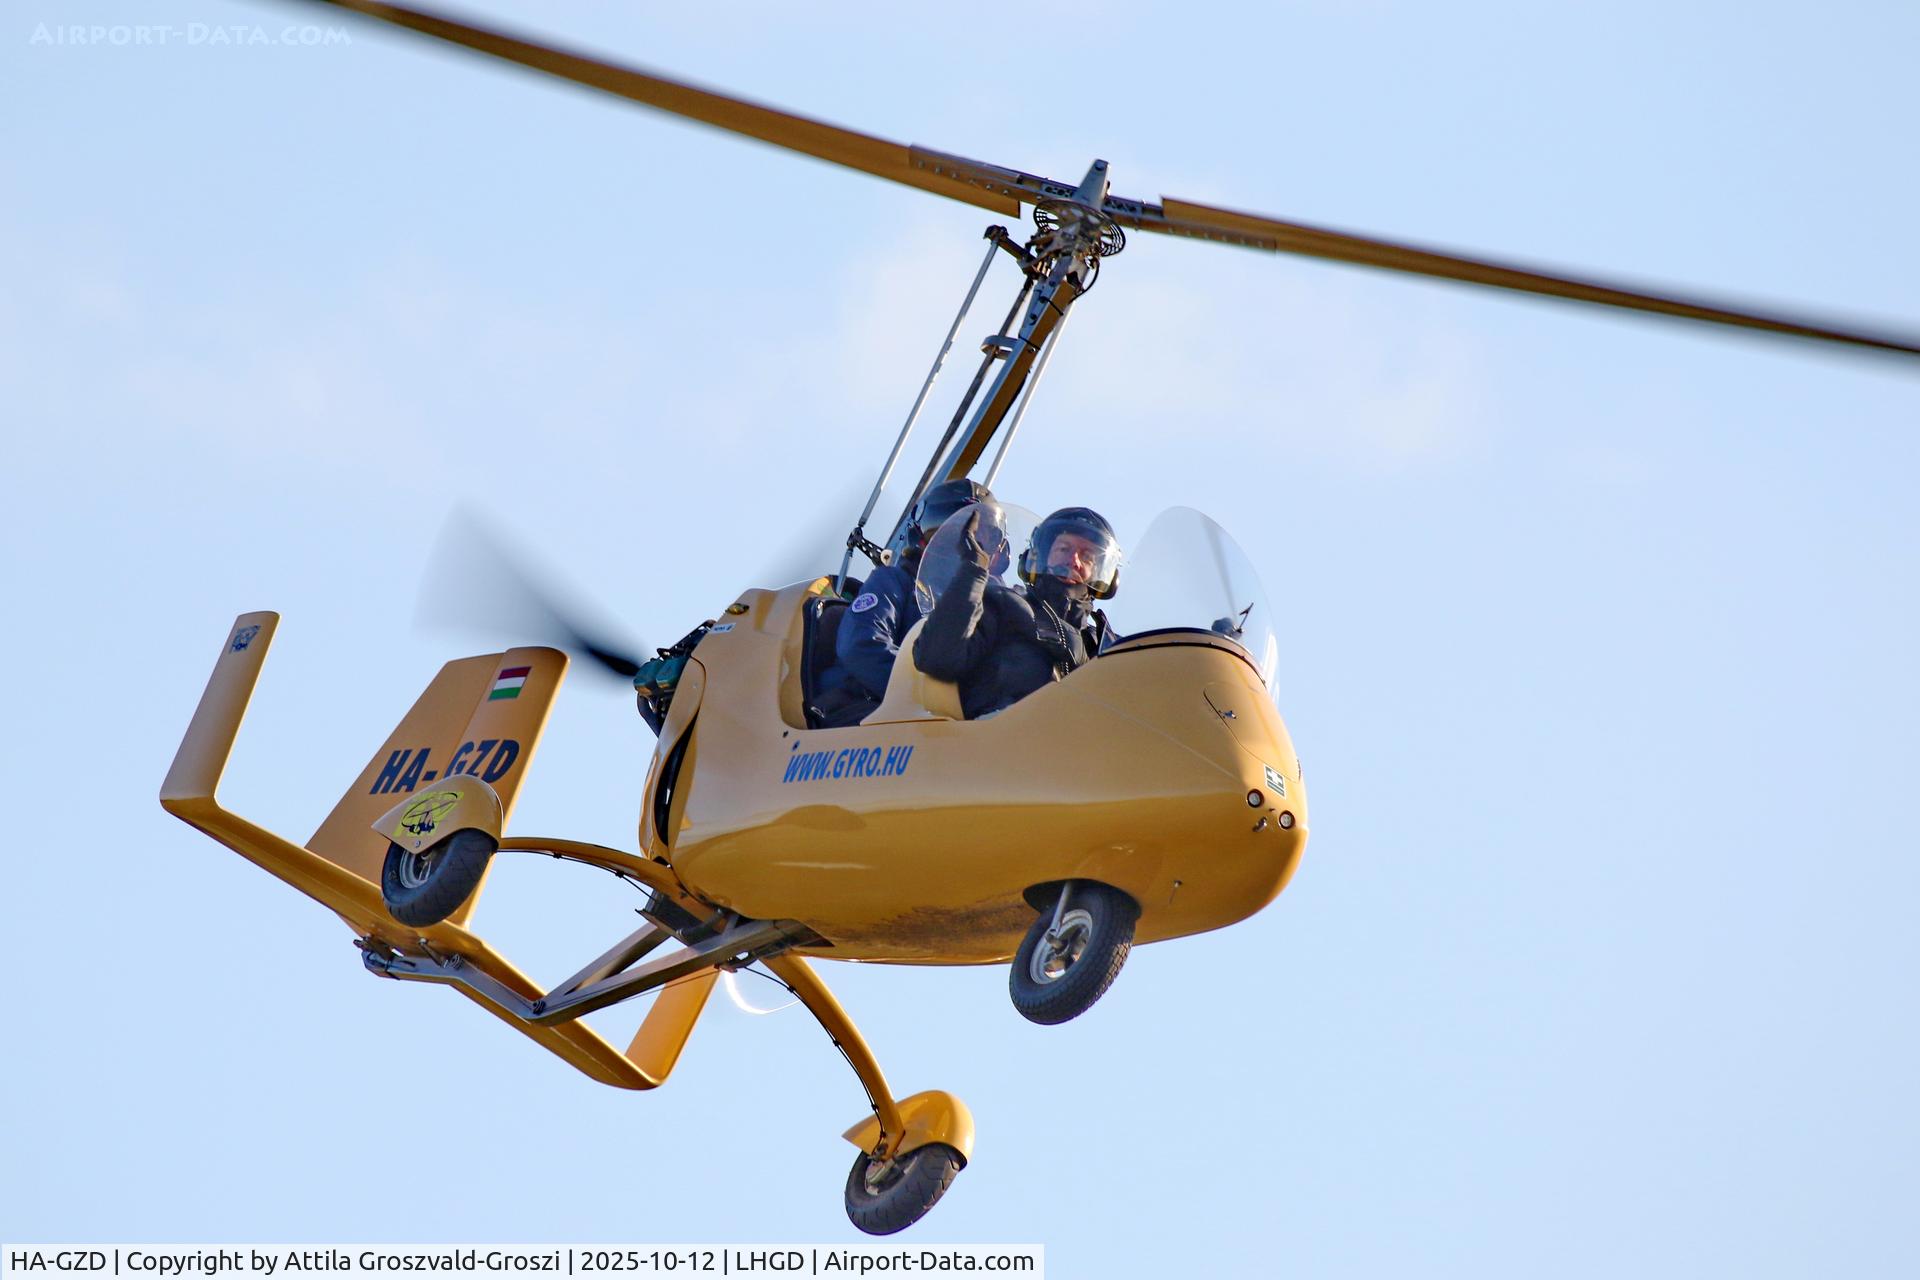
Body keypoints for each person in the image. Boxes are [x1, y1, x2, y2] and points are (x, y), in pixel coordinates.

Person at [810, 477, 993, 728]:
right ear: (922, 539)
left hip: (946, 725)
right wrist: (927, 695)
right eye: (951, 533)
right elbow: (860, 645)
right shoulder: (894, 582)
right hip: (867, 715)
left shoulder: (989, 606)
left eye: (980, 537)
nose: (966, 544)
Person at [914, 505, 1120, 719]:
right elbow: (938, 658)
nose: (1073, 561)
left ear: (1106, 577)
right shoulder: (1002, 605)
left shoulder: (1107, 645)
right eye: (1064, 549)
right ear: (1036, 557)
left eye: (1087, 557)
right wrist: (972, 572)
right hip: (994, 740)